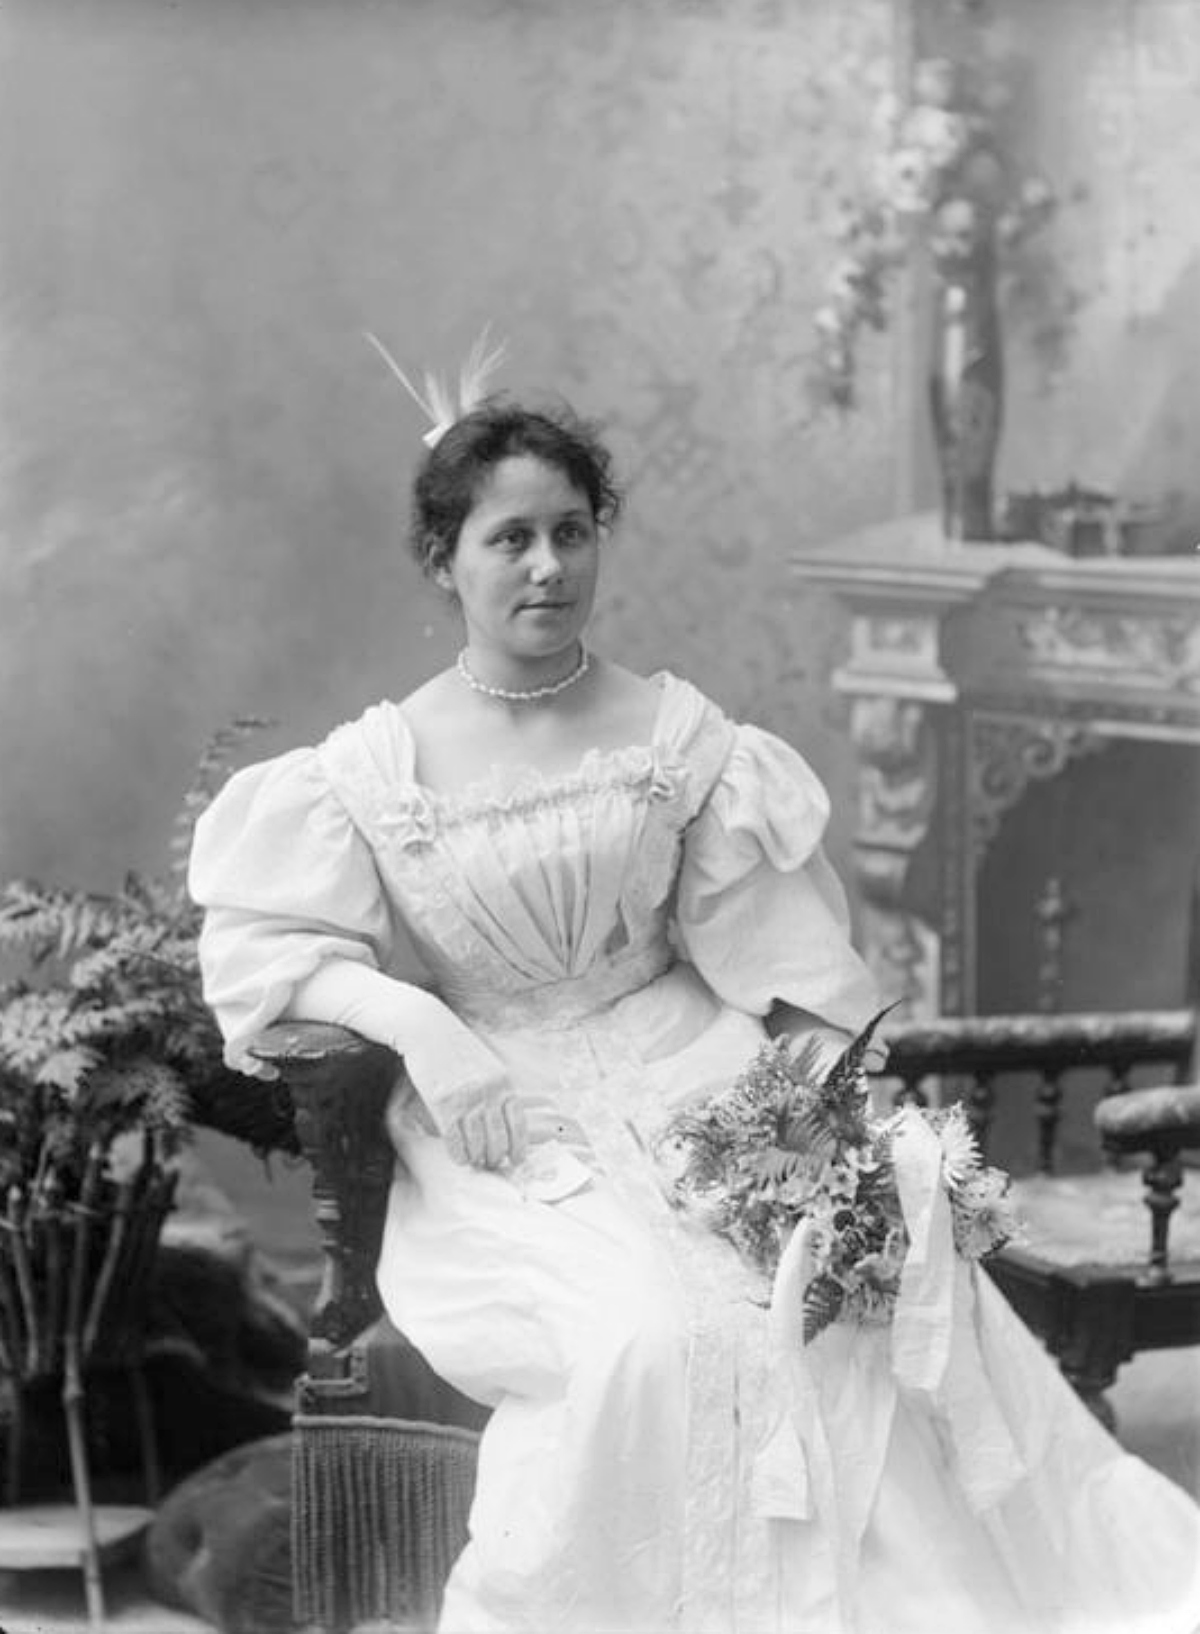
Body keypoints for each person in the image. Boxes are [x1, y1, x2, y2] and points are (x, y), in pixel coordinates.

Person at [189, 382, 1200, 1634]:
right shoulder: (373, 767)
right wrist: (425, 1027)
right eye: (510, 538)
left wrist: (831, 1120)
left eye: (573, 530)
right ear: (442, 559)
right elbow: (276, 951)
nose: (549, 565)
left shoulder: (680, 737)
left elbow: (779, 971)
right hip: (502, 1116)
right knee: (639, 1345)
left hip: (696, 1076)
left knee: (828, 1305)